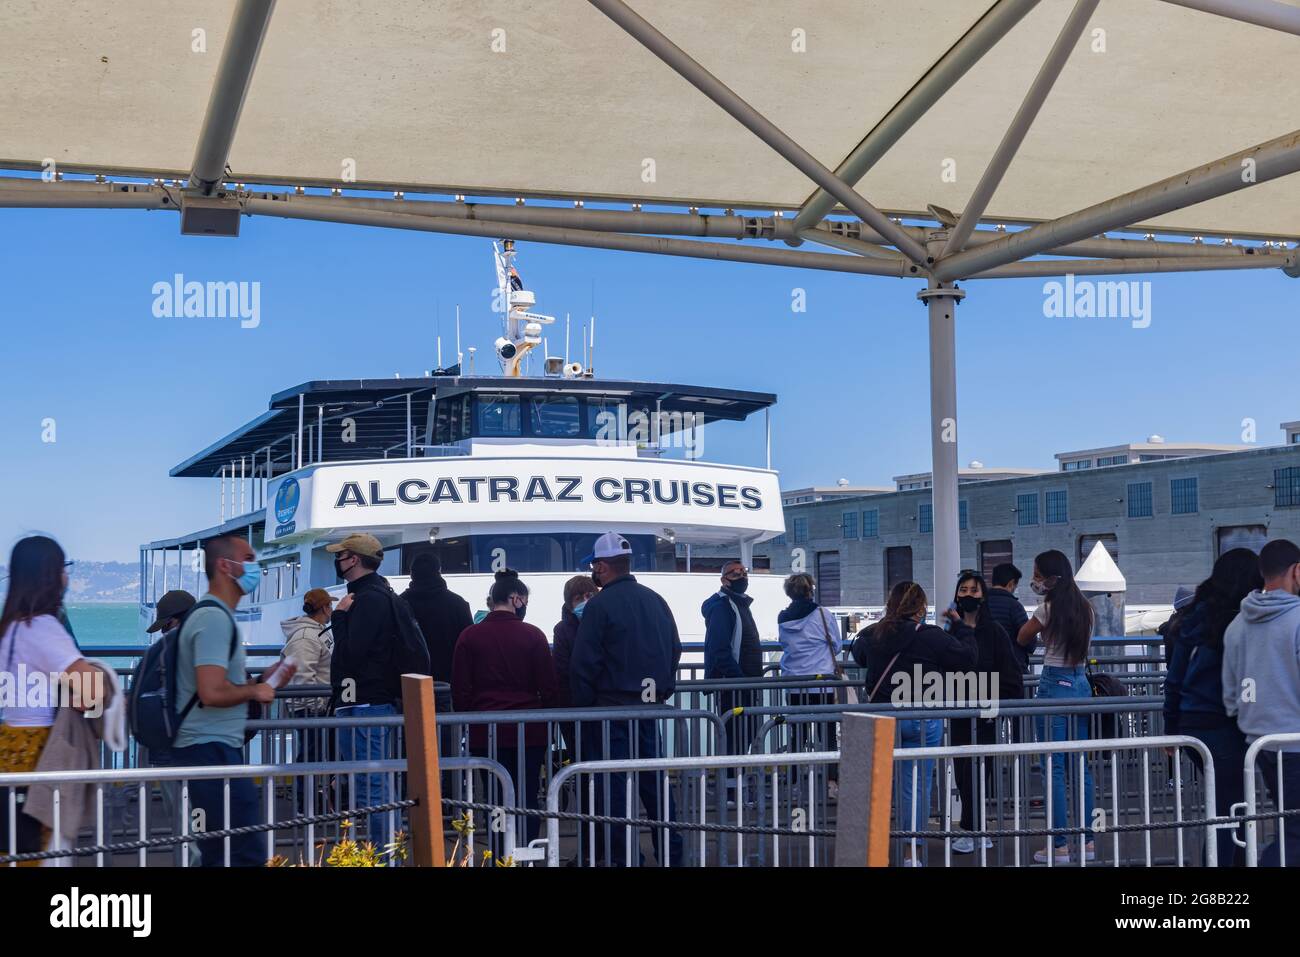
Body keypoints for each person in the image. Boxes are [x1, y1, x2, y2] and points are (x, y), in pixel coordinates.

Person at [569, 531, 684, 865]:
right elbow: (674, 650)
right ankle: (670, 855)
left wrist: (585, 710)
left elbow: (583, 665)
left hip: (610, 713)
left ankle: (625, 858)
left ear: (602, 567)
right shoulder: (656, 600)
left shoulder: (599, 606)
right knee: (657, 787)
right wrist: (662, 690)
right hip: (650, 710)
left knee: (614, 793)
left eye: (594, 565)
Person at [169, 534, 277, 867]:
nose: (254, 566)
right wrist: (255, 691)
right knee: (242, 854)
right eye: (248, 557)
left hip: (212, 750)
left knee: (222, 854)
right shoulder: (214, 618)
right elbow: (211, 692)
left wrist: (260, 682)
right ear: (224, 566)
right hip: (210, 752)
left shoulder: (212, 615)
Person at [854, 581, 977, 866]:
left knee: (879, 785)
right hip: (922, 717)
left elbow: (859, 656)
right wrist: (962, 627)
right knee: (917, 786)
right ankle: (912, 854)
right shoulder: (931, 636)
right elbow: (967, 658)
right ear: (921, 608)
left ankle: (873, 851)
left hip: (883, 717)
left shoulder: (875, 634)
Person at [0, 536, 105, 862]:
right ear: (49, 575)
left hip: (7, 745)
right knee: (40, 852)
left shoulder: (8, 629)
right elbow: (93, 691)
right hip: (39, 751)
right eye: (63, 568)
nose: (66, 577)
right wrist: (89, 702)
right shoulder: (44, 627)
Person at [1164, 548, 1260, 867]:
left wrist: (1170, 726)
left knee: (1225, 807)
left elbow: (1174, 679)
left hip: (1192, 725)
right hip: (1226, 726)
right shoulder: (1243, 620)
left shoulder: (1192, 617)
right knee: (1232, 809)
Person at [452, 570, 559, 852]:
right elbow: (548, 686)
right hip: (530, 731)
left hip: (486, 731)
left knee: (494, 797)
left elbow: (461, 689)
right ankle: (528, 850)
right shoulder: (533, 635)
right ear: (516, 599)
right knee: (527, 794)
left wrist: (469, 720)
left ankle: (500, 852)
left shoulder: (469, 636)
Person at [328, 532, 420, 849]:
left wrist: (338, 617)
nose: (337, 560)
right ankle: (385, 850)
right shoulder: (381, 595)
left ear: (354, 559)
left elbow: (353, 652)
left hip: (365, 702)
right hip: (369, 700)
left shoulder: (366, 600)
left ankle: (383, 853)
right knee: (374, 782)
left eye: (340, 555)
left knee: (372, 784)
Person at [1222, 538, 1300, 867]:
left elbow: (1231, 695)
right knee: (1296, 834)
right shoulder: (1297, 620)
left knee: (1291, 825)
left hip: (1260, 743)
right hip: (1295, 741)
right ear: (1297, 571)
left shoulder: (1238, 624)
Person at [1017, 549, 1095, 865]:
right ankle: (1088, 841)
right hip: (1081, 684)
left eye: (1036, 574)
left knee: (1055, 767)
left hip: (1054, 684)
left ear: (1049, 578)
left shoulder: (1047, 609)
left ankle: (1059, 845)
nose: (1034, 580)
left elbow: (1022, 637)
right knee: (1082, 766)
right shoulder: (1086, 608)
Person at [945, 571, 1023, 854]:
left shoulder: (995, 631)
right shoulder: (949, 631)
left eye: (973, 590)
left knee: (980, 767)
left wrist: (1004, 704)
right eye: (963, 589)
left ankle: (973, 829)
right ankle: (972, 828)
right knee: (963, 769)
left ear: (983, 596)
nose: (967, 595)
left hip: (985, 710)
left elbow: (1010, 670)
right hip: (957, 709)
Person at [702, 560, 763, 768]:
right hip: (736, 686)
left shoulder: (739, 604)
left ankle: (737, 786)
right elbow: (719, 649)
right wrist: (739, 680)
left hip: (745, 684)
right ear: (724, 580)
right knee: (734, 739)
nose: (742, 577)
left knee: (745, 735)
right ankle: (730, 790)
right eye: (735, 574)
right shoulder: (723, 607)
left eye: (744, 572)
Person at [776, 573, 841, 767]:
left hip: (794, 683)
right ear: (810, 590)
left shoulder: (783, 617)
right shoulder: (823, 614)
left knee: (798, 733)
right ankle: (830, 779)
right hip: (821, 683)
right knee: (827, 733)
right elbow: (836, 645)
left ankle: (794, 779)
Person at [401, 552, 472, 687]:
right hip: (450, 682)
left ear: (412, 574)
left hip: (410, 684)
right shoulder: (458, 603)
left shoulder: (400, 604)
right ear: (439, 571)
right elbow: (467, 645)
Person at [281, 588, 336, 717]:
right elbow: (303, 678)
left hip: (317, 708)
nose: (332, 610)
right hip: (311, 711)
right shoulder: (305, 637)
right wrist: (317, 707)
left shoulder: (317, 632)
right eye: (330, 606)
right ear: (324, 608)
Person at [986, 563, 1032, 674]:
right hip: (1012, 669)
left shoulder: (980, 604)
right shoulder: (1014, 606)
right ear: (1011, 583)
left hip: (984, 670)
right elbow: (1030, 640)